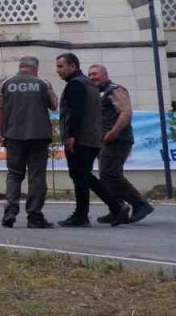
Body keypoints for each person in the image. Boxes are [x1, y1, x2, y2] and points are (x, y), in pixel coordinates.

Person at [55, 53, 122, 228]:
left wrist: (71, 135)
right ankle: (113, 207)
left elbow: (76, 112)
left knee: (80, 175)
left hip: (81, 138)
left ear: (73, 66)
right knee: (83, 175)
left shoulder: (75, 85)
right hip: (91, 137)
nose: (58, 71)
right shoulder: (89, 85)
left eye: (61, 66)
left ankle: (90, 212)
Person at [0, 56, 58, 228]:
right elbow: (54, 106)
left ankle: (10, 211)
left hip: (14, 136)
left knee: (14, 174)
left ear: (20, 67)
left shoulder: (5, 83)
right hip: (39, 136)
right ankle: (34, 216)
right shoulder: (43, 83)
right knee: (36, 176)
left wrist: (2, 133)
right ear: (35, 69)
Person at [88, 64, 155, 226]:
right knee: (106, 176)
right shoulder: (97, 93)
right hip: (103, 140)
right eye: (89, 75)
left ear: (105, 74)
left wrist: (114, 132)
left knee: (111, 174)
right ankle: (117, 210)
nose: (92, 77)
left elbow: (126, 112)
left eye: (95, 74)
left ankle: (140, 204)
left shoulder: (115, 90)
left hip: (117, 139)